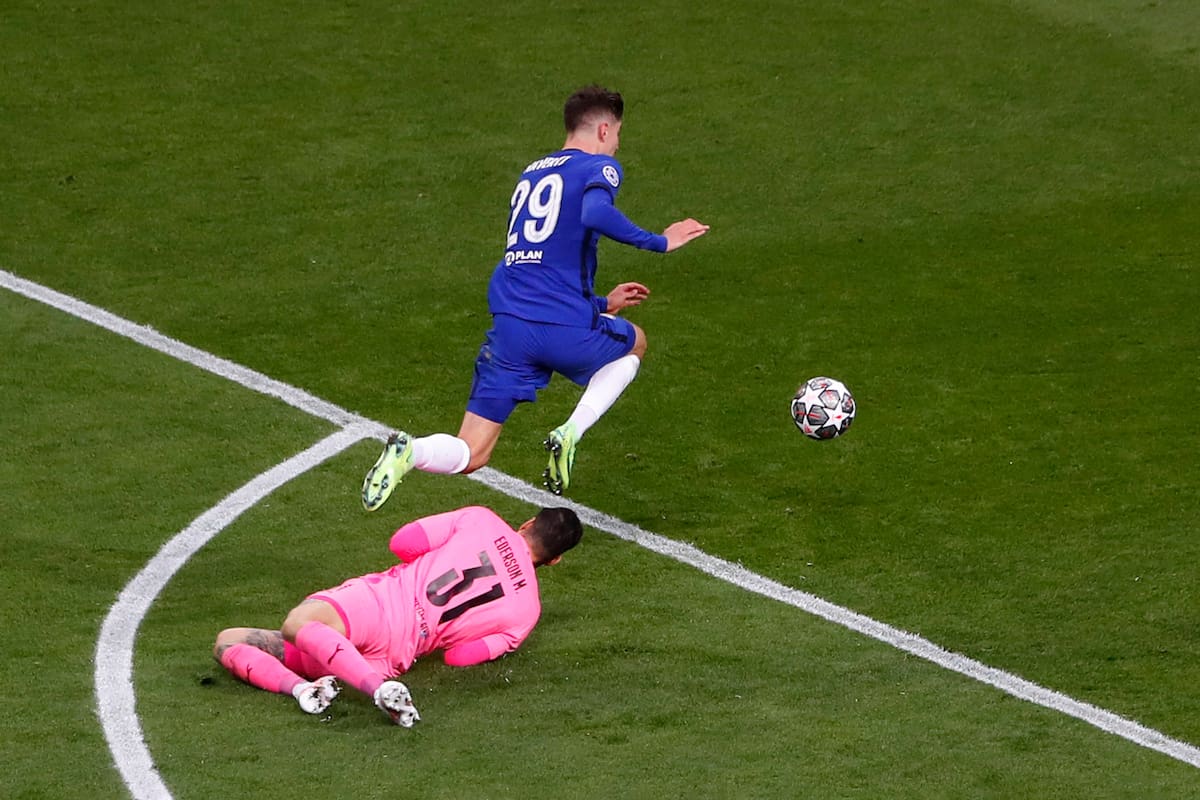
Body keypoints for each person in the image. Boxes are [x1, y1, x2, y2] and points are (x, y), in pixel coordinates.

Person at [362, 85, 709, 510]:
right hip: (559, 327)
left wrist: (600, 303)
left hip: (510, 326)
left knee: (473, 452)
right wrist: (661, 242)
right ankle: (571, 432)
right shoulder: (599, 166)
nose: (617, 144)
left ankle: (411, 452)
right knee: (634, 340)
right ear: (603, 129)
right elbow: (595, 214)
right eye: (617, 134)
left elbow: (539, 261)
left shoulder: (531, 173)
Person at [212, 505, 583, 726]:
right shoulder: (526, 613)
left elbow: (402, 543)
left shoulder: (481, 519)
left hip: (380, 603)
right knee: (229, 640)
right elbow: (459, 656)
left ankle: (376, 690)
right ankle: (304, 690)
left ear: (528, 523)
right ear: (554, 560)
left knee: (296, 624)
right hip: (399, 652)